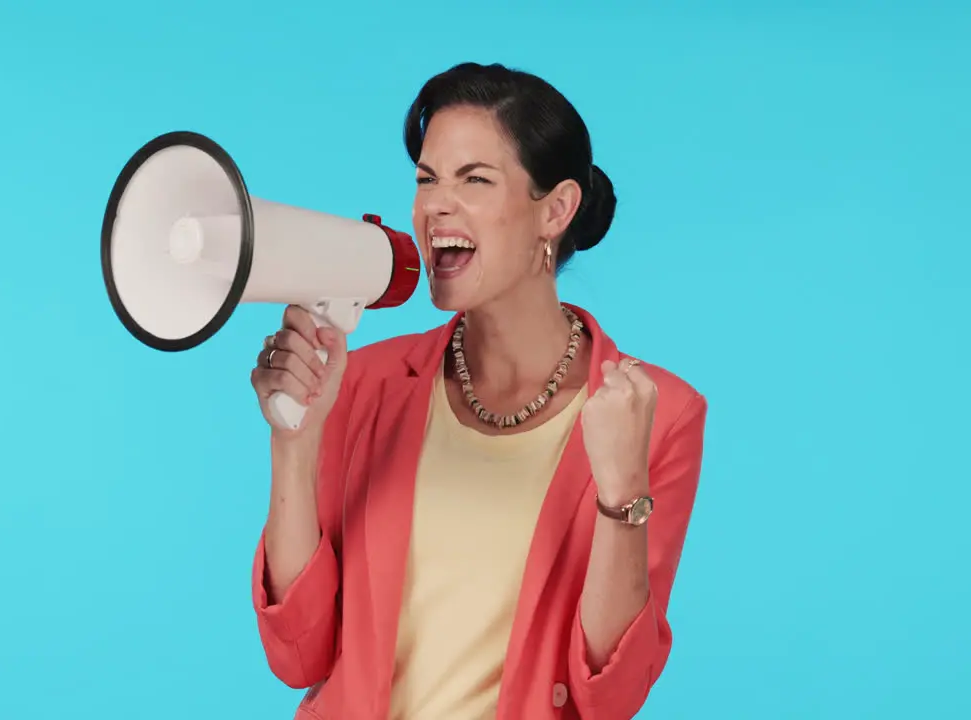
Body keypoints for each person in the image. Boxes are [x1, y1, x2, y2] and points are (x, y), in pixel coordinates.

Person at [248, 62, 708, 720]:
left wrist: (619, 493)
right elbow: (299, 656)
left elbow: (610, 695)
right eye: (426, 180)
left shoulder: (654, 413)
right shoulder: (366, 382)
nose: (435, 207)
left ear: (555, 210)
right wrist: (295, 441)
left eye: (475, 180)